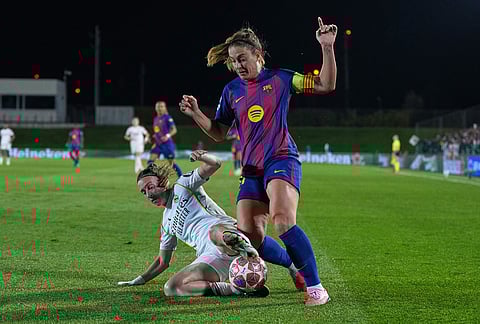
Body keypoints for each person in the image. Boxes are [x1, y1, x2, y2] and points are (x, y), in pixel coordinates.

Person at [179, 17, 337, 306]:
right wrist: (196, 114)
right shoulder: (231, 91)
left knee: (282, 219)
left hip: (281, 158)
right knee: (249, 235)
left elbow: (326, 84)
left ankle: (316, 287)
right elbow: (218, 132)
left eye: (242, 59)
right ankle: (293, 264)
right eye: (232, 61)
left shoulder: (282, 79)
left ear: (259, 56)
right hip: (251, 169)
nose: (238, 65)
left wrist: (326, 47)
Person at [117, 150, 272, 298]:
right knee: (171, 287)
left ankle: (247, 250)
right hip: (212, 257)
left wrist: (203, 156)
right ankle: (236, 289)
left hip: (225, 237)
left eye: (150, 187)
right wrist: (140, 279)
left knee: (215, 232)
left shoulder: (182, 185)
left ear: (163, 182)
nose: (148, 194)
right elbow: (163, 261)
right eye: (144, 192)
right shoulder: (166, 223)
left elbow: (215, 164)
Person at [148, 101, 182, 177]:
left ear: (165, 108)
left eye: (161, 106)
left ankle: (181, 177)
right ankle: (153, 179)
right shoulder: (155, 119)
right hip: (157, 144)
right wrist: (154, 136)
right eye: (158, 106)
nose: (159, 108)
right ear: (155, 108)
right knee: (150, 162)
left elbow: (174, 130)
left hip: (167, 144)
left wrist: (167, 136)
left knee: (172, 164)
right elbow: (157, 130)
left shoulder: (167, 117)